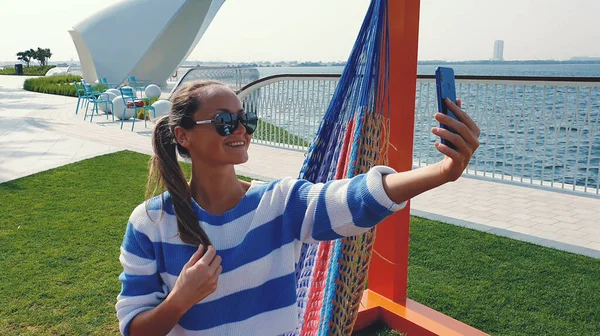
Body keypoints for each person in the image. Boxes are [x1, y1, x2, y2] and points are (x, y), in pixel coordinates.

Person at [115, 80, 480, 336]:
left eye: (246, 119)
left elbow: (356, 198)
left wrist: (443, 172)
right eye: (225, 122)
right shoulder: (151, 223)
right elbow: (135, 328)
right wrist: (181, 299)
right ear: (184, 135)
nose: (241, 129)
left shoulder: (279, 204)